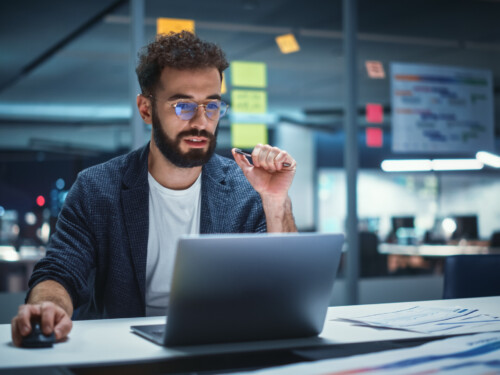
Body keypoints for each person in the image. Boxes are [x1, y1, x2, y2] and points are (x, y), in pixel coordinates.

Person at [11, 31, 297, 347]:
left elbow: (287, 293)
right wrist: (47, 307)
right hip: (126, 355)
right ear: (146, 109)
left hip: (222, 350)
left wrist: (275, 200)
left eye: (211, 107)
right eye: (183, 106)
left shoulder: (247, 188)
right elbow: (60, 272)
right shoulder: (97, 188)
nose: (201, 122)